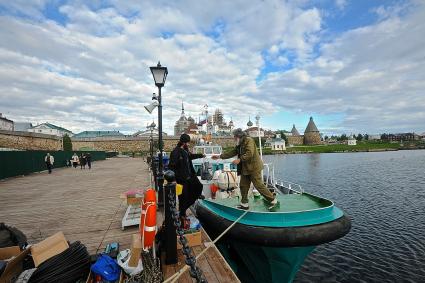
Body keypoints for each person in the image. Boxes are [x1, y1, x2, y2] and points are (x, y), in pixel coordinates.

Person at [212, 128, 278, 210]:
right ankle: (244, 204)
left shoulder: (248, 140)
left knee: (258, 185)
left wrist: (239, 160)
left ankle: (272, 199)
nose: (234, 138)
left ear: (239, 136)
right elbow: (233, 152)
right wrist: (219, 156)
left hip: (254, 167)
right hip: (245, 169)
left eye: (234, 137)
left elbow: (249, 153)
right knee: (243, 186)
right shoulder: (239, 144)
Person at [169, 134, 205, 224]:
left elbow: (190, 156)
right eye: (187, 143)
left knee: (199, 186)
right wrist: (174, 179)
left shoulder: (185, 150)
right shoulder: (175, 152)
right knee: (183, 197)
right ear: (184, 142)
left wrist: (201, 155)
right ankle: (182, 214)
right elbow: (171, 166)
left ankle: (184, 208)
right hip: (181, 179)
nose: (188, 144)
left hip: (190, 177)